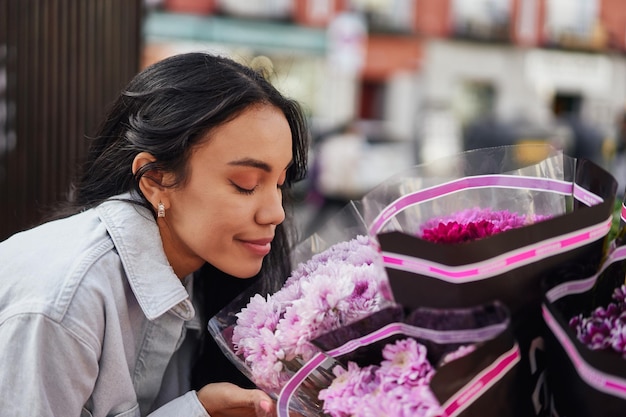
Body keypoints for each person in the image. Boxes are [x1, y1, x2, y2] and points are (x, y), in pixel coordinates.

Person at [0, 52, 309, 417]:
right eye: (245, 184)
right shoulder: (65, 301)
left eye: (279, 183)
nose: (275, 212)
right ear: (156, 180)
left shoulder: (202, 274)